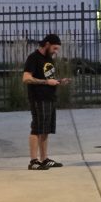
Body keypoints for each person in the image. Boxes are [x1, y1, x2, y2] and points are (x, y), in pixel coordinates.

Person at [23, 33, 72, 170]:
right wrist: (46, 82)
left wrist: (58, 81)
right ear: (48, 44)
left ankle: (44, 159)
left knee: (46, 129)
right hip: (38, 98)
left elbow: (49, 78)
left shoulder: (49, 59)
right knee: (37, 128)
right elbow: (26, 78)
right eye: (55, 48)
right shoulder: (34, 58)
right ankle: (33, 161)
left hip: (50, 97)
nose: (56, 52)